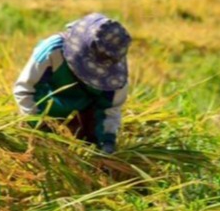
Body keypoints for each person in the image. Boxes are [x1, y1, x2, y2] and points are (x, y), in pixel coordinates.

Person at [13, 13, 131, 154]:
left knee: (91, 150)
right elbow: (25, 89)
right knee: (36, 151)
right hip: (45, 108)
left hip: (84, 111)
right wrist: (39, 126)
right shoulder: (52, 51)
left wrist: (107, 141)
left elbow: (110, 108)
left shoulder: (113, 74)